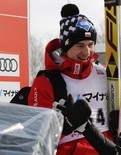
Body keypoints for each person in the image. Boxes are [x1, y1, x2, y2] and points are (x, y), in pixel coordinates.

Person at [28, 3, 114, 155]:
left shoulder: (104, 73)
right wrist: (66, 125)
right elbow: (36, 135)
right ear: (66, 46)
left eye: (91, 44)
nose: (86, 52)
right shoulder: (47, 81)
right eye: (80, 45)